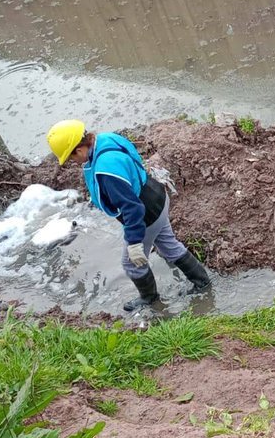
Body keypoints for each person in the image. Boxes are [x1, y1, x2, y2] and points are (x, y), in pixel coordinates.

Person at [46, 120, 210, 311]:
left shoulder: (105, 172)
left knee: (131, 263)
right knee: (169, 244)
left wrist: (134, 243)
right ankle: (203, 283)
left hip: (146, 213)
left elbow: (133, 209)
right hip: (157, 194)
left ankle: (150, 299)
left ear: (80, 150)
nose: (73, 163)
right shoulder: (106, 139)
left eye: (70, 158)